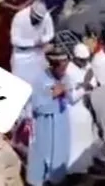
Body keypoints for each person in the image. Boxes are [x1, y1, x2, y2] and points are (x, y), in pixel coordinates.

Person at [26, 47, 70, 186]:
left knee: (59, 161)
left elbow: (67, 99)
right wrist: (52, 94)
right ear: (53, 65)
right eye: (61, 68)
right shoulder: (40, 80)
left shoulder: (65, 77)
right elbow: (37, 106)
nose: (64, 71)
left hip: (61, 125)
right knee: (41, 160)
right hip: (45, 127)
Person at [65, 42, 98, 175]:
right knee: (74, 146)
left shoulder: (88, 67)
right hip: (73, 113)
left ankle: (86, 168)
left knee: (87, 143)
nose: (84, 63)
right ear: (74, 58)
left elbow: (93, 83)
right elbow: (70, 97)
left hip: (86, 111)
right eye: (82, 60)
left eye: (86, 60)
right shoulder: (67, 71)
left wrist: (89, 86)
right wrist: (84, 87)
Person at [10, 0, 54, 87]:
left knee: (39, 83)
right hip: (21, 55)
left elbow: (50, 33)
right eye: (35, 19)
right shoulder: (19, 16)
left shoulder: (46, 16)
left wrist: (42, 40)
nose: (37, 22)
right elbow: (14, 40)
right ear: (31, 11)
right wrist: (33, 43)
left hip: (37, 53)